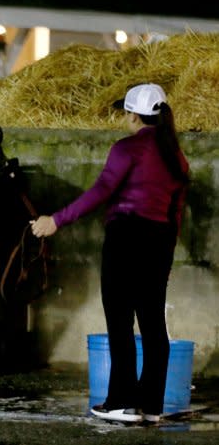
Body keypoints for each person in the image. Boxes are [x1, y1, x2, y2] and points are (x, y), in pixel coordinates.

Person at [30, 83, 189, 424]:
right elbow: (176, 212)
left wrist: (57, 220)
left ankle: (120, 402)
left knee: (120, 323)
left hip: (126, 238)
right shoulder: (176, 156)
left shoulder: (126, 149)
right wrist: (167, 255)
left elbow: (102, 190)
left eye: (125, 112)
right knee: (153, 327)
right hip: (160, 242)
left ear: (133, 115)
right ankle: (151, 406)